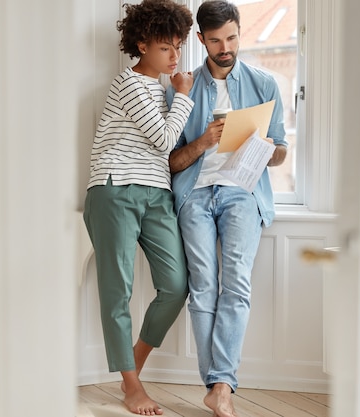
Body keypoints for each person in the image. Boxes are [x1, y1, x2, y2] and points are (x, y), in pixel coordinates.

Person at [166, 1, 288, 416]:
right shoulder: (181, 89)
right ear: (201, 39)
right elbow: (171, 162)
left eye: (232, 37)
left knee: (236, 285)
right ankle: (217, 385)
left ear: (240, 33)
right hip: (195, 194)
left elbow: (282, 152)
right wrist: (203, 141)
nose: (225, 47)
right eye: (215, 40)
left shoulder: (265, 84)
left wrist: (269, 149)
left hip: (243, 193)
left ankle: (221, 387)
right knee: (203, 288)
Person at [83, 0, 194, 415]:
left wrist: (175, 93)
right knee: (118, 292)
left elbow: (161, 149)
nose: (174, 56)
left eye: (178, 48)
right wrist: (184, 94)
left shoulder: (161, 88)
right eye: (166, 48)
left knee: (176, 284)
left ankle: (134, 365)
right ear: (142, 44)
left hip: (157, 193)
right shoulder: (128, 84)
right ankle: (131, 387)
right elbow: (164, 140)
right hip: (115, 189)